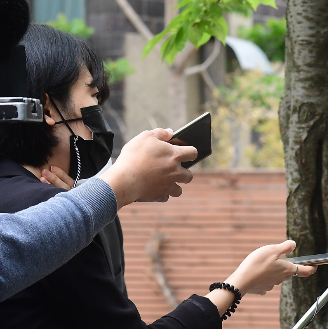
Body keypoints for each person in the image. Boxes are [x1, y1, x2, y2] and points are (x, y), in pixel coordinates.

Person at [0, 24, 317, 329]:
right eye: (92, 95)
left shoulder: (27, 198)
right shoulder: (43, 212)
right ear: (48, 107)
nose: (99, 113)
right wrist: (236, 286)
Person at [0, 127, 197, 301]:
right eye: (93, 95)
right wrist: (125, 180)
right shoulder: (33, 201)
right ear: (48, 108)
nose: (99, 123)